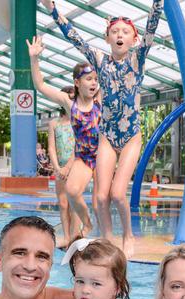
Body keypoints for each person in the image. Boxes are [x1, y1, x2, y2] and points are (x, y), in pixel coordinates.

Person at [44, 0, 164, 258]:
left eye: (125, 32)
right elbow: (74, 37)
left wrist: (159, 3)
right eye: (115, 31)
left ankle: (128, 235)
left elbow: (152, 26)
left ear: (133, 38)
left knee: (119, 194)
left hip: (131, 136)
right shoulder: (99, 60)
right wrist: (52, 9)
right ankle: (108, 241)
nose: (120, 35)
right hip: (107, 137)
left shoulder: (137, 57)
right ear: (107, 37)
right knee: (100, 198)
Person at [27, 36, 99, 240]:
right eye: (88, 79)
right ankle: (87, 224)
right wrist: (34, 59)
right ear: (77, 83)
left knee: (100, 199)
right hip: (83, 158)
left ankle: (106, 237)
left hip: (103, 155)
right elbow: (40, 85)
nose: (93, 83)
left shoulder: (100, 98)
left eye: (95, 79)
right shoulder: (70, 104)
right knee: (72, 192)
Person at [47, 85, 81, 248]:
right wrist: (57, 167)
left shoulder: (80, 120)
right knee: (62, 203)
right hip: (59, 167)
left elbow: (80, 146)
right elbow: (51, 147)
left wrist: (68, 167)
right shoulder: (54, 123)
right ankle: (67, 237)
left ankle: (75, 235)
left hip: (76, 165)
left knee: (74, 202)